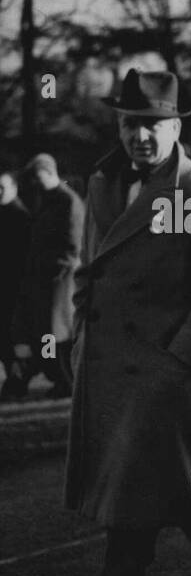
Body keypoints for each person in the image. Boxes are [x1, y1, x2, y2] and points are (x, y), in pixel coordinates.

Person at [64, 69, 191, 576]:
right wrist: (79, 334)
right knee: (134, 492)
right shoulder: (103, 181)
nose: (141, 137)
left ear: (175, 125)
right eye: (132, 124)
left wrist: (179, 361)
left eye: (154, 124)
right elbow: (88, 269)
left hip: (171, 373)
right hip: (111, 367)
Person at [9, 154, 83, 399]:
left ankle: (65, 378)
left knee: (57, 333)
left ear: (48, 172)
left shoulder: (67, 201)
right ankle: (57, 375)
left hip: (61, 278)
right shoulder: (49, 200)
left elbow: (73, 244)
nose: (35, 181)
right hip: (46, 278)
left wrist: (56, 269)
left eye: (37, 175)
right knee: (48, 334)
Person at [0, 172, 33, 393]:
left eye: (3, 187)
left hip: (16, 286)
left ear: (14, 188)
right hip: (6, 284)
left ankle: (19, 377)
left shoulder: (20, 215)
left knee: (14, 335)